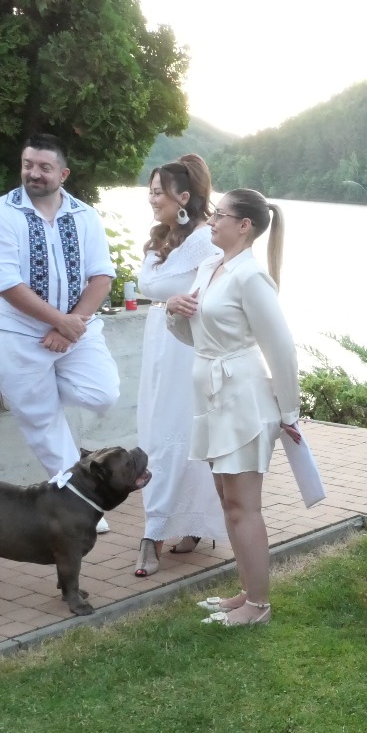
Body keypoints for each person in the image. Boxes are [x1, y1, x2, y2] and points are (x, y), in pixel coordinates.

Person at [165, 189, 300, 628]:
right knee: (228, 502)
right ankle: (247, 591)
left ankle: (259, 606)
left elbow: (281, 348)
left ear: (244, 225)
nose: (210, 221)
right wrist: (173, 311)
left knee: (244, 506)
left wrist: (290, 412)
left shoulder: (251, 276)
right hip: (211, 394)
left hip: (243, 398)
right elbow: (195, 336)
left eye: (219, 215)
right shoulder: (211, 267)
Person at [0, 134, 120, 531]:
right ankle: (82, 509)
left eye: (44, 167)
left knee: (104, 393)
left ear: (63, 173)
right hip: (18, 330)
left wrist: (70, 325)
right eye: (28, 165)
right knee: (42, 422)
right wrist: (59, 321)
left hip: (78, 327)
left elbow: (102, 275)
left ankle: (23, 391)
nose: (34, 173)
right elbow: (7, 283)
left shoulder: (84, 215)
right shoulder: (0, 214)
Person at [133, 154, 227, 577]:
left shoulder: (207, 241)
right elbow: (150, 287)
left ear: (183, 197)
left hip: (189, 349)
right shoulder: (161, 239)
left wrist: (178, 302)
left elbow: (219, 294)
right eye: (151, 191)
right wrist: (166, 303)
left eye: (159, 192)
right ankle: (177, 525)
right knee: (156, 431)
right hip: (160, 343)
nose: (152, 199)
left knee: (181, 436)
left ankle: (155, 533)